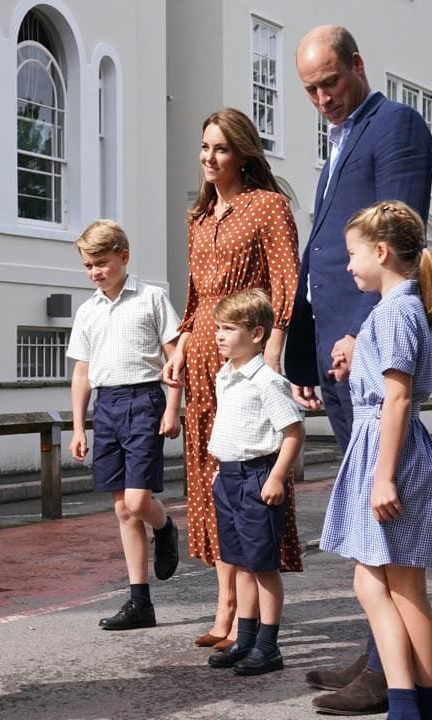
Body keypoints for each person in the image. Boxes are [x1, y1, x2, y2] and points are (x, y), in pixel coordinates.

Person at [282, 25, 432, 715]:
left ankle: (392, 677)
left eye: (331, 81)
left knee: (384, 526)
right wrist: (305, 350)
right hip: (338, 344)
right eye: (311, 89)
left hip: (368, 346)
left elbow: (396, 230)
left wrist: (357, 332)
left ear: (357, 65)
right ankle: (382, 656)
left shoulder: (397, 126)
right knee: (369, 536)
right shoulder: (338, 139)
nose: (322, 97)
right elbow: (326, 249)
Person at [162, 108, 303, 651]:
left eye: (220, 148)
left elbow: (285, 285)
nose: (209, 158)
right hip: (200, 360)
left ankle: (250, 617)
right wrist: (177, 352)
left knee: (250, 473)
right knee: (210, 484)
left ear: (243, 153)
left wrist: (271, 356)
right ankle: (224, 605)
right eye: (204, 147)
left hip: (246, 360)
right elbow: (195, 299)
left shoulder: (267, 207)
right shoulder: (198, 218)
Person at [320, 201, 432, 720]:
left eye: (352, 254)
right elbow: (385, 387)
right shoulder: (396, 309)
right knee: (383, 584)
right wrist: (355, 362)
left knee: (399, 587)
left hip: (389, 455)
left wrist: (383, 478)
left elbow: (397, 398)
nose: (348, 265)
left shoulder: (397, 310)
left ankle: (413, 706)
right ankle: (415, 704)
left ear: (381, 252)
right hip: (383, 448)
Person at [67, 219, 182, 630]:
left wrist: (172, 409)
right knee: (122, 509)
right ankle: (140, 602)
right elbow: (82, 373)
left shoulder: (152, 298)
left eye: (102, 262)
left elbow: (174, 359)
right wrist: (79, 427)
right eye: (88, 265)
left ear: (123, 257)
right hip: (108, 405)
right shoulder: (87, 310)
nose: (96, 272)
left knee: (137, 502)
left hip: (145, 399)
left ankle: (165, 527)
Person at [203, 289, 304, 676]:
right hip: (228, 478)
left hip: (258, 479)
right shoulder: (225, 375)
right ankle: (244, 640)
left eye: (229, 329)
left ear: (257, 334)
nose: (219, 336)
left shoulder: (267, 381)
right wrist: (219, 470)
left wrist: (277, 476)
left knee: (263, 566)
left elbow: (294, 432)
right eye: (219, 328)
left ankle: (268, 646)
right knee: (239, 563)